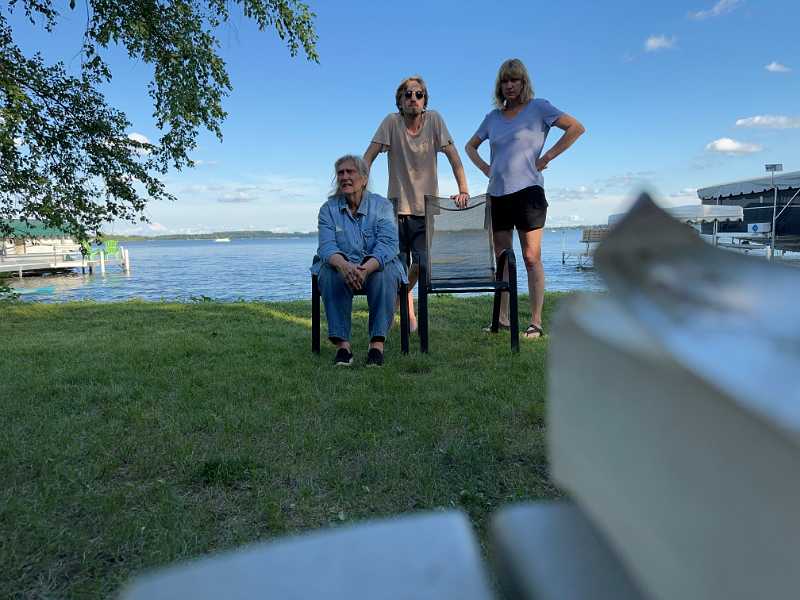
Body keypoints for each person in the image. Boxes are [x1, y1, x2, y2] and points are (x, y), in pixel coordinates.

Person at [465, 58, 585, 338]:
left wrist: (547, 157)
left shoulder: (539, 107)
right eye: (505, 81)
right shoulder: (492, 118)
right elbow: (470, 146)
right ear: (500, 86)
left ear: (523, 82)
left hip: (528, 193)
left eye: (514, 80)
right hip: (498, 195)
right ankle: (502, 320)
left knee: (531, 257)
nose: (509, 85)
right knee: (503, 260)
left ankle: (535, 322)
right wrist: (486, 169)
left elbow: (576, 128)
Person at [364, 75, 470, 333]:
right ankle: (409, 316)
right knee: (398, 266)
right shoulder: (391, 122)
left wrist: (463, 190)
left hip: (426, 210)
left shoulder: (434, 120)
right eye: (408, 94)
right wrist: (360, 191)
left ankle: (396, 300)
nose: (413, 98)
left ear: (425, 100)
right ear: (400, 101)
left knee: (422, 263)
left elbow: (454, 157)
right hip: (394, 211)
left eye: (418, 94)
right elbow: (368, 157)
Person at [311, 155, 407, 367]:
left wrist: (365, 269)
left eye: (350, 172)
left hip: (373, 267)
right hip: (342, 266)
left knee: (386, 273)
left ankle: (376, 346)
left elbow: (388, 244)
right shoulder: (328, 209)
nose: (345, 177)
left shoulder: (382, 206)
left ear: (364, 178)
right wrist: (344, 266)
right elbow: (326, 247)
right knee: (328, 273)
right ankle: (343, 347)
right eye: (340, 173)